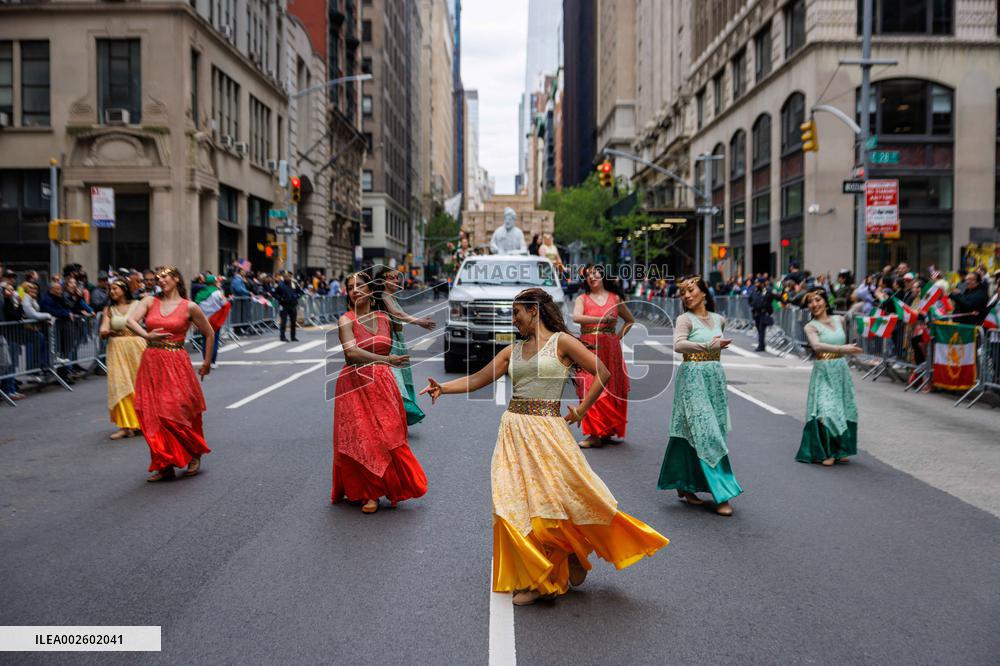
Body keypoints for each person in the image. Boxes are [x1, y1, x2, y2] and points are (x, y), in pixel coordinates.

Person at [420, 288, 669, 606]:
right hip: (513, 431)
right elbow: (479, 378)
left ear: (534, 311)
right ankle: (546, 570)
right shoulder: (512, 350)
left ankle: (563, 559)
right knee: (513, 504)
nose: (514, 320)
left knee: (553, 504)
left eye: (517, 313)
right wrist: (444, 387)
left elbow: (602, 372)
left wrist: (581, 410)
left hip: (549, 433)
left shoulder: (562, 343)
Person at [332, 271, 427, 513]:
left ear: (370, 289)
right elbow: (351, 354)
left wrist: (416, 320)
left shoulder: (385, 317)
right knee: (363, 438)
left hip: (383, 383)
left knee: (389, 435)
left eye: (360, 285)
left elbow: (399, 317)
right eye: (351, 287)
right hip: (354, 383)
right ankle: (369, 494)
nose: (355, 290)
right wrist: (385, 360)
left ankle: (392, 486)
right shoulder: (345, 320)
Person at [657, 276, 742, 516]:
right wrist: (707, 347)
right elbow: (679, 345)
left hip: (714, 378)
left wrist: (713, 349)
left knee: (693, 430)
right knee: (707, 432)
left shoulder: (719, 319)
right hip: (692, 377)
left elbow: (718, 345)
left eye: (691, 290)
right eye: (682, 292)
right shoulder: (684, 319)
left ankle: (684, 484)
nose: (686, 295)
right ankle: (722, 494)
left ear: (704, 292)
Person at [127, 267, 214, 482]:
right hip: (152, 362)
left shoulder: (189, 306)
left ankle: (194, 451)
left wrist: (206, 362)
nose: (161, 280)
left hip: (176, 362)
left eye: (165, 276)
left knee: (176, 410)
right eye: (158, 278)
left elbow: (209, 332)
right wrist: (147, 335)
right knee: (152, 414)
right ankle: (164, 463)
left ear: (176, 279)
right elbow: (129, 321)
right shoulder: (149, 301)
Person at [795, 289, 864, 465]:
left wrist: (855, 355)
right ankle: (825, 451)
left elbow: (846, 342)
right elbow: (817, 346)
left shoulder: (839, 320)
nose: (814, 304)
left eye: (817, 300)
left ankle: (841, 449)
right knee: (827, 409)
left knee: (845, 408)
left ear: (826, 301)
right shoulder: (810, 326)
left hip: (840, 369)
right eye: (810, 302)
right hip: (823, 370)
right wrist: (843, 349)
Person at [572, 265, 633, 448]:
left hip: (610, 349)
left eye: (594, 273)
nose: (591, 276)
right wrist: (600, 320)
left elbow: (630, 321)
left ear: (602, 275)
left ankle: (604, 431)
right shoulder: (582, 299)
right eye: (588, 275)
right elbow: (576, 317)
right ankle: (594, 433)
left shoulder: (615, 298)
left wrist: (618, 337)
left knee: (611, 388)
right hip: (587, 347)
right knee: (587, 385)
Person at [373, 267, 436, 425]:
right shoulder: (383, 296)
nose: (396, 281)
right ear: (382, 281)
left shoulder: (391, 297)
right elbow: (398, 315)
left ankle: (399, 415)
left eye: (396, 278)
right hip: (390, 342)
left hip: (398, 340)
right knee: (395, 379)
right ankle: (393, 415)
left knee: (402, 377)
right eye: (391, 278)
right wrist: (419, 322)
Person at [99, 278, 146, 440]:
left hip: (137, 346)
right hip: (117, 348)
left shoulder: (137, 304)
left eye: (115, 289)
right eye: (110, 289)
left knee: (139, 384)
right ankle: (125, 426)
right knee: (120, 384)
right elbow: (103, 329)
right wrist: (106, 332)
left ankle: (141, 423)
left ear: (124, 289)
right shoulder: (109, 310)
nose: (112, 292)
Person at [194, 274, 227, 365]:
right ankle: (212, 361)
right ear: (214, 282)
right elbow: (224, 303)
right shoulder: (218, 293)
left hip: (203, 320)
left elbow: (196, 306)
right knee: (214, 340)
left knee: (205, 340)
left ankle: (206, 360)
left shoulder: (200, 293)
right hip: (215, 319)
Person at [748, 278, 777, 352]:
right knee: (759, 329)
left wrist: (785, 301)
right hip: (756, 313)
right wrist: (753, 305)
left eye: (757, 283)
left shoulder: (767, 291)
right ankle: (762, 345)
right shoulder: (754, 291)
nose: (756, 284)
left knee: (761, 329)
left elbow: (776, 297)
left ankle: (761, 346)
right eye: (755, 283)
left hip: (764, 313)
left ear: (762, 283)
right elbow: (750, 299)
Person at [274, 273, 302, 342]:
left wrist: (297, 296)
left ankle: (293, 337)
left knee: (293, 322)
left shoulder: (294, 284)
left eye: (288, 277)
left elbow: (301, 292)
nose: (287, 278)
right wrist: (281, 298)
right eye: (285, 277)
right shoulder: (280, 285)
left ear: (290, 277)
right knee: (283, 322)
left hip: (293, 305)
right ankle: (282, 337)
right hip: (284, 305)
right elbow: (275, 294)